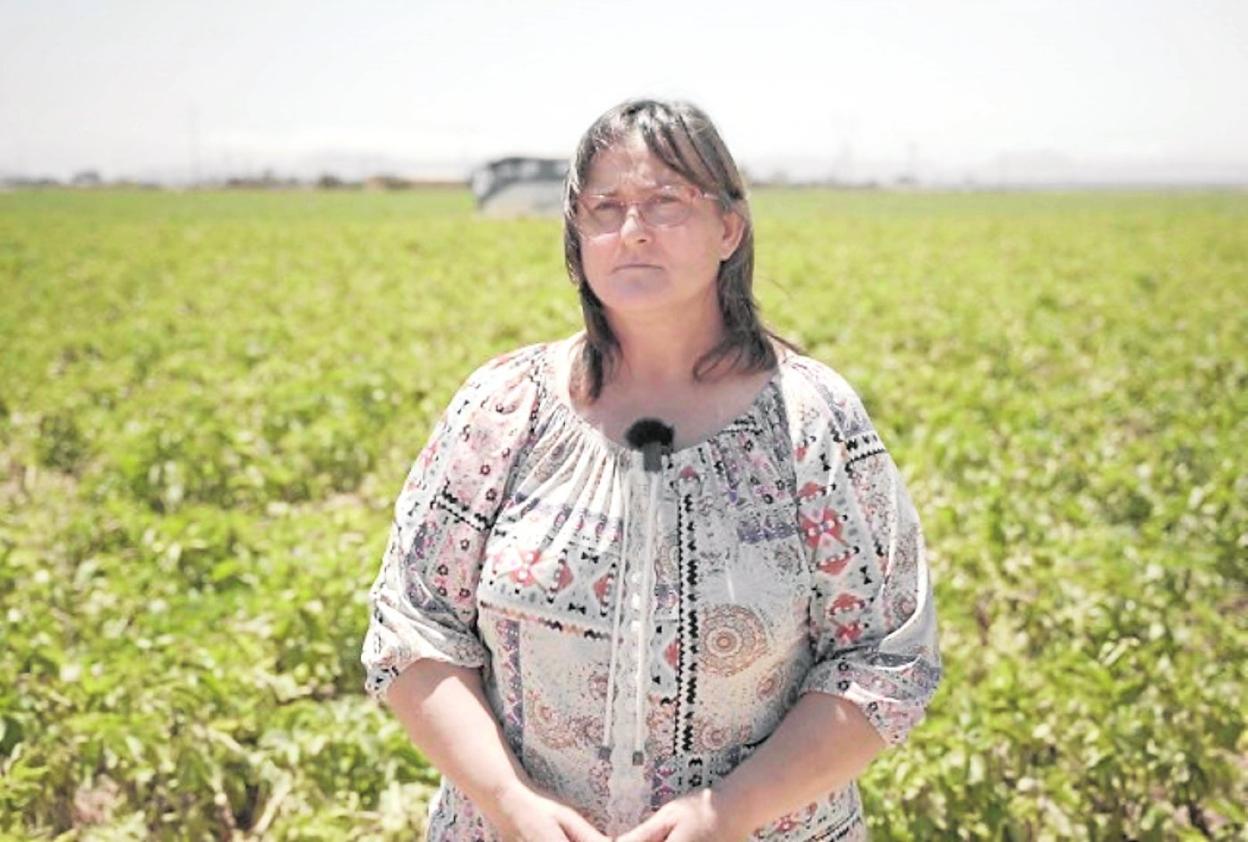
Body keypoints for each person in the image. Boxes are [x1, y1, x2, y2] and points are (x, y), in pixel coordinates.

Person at [361, 97, 943, 842]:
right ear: (577, 235)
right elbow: (415, 625)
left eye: (666, 202)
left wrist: (729, 811)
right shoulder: (503, 409)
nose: (633, 230)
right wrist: (510, 802)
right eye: (605, 208)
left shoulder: (811, 421)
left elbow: (884, 658)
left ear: (729, 228)